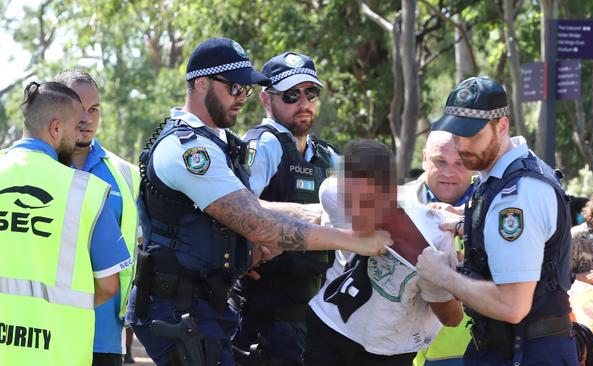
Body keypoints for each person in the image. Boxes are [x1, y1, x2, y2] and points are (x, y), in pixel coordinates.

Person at [124, 38, 391, 366]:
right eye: (234, 87)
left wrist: (323, 213)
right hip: (177, 310)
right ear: (201, 83)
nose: (241, 97)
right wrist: (355, 240)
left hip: (207, 307)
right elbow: (257, 222)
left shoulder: (220, 143)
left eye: (245, 89)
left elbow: (252, 206)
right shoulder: (189, 150)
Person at [416, 76, 578, 365]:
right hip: (505, 347)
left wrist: (443, 276)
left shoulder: (517, 196)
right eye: (455, 134)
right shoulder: (499, 179)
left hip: (525, 352)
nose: (461, 145)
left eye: (471, 134)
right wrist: (465, 224)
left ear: (501, 126)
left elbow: (513, 304)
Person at [0, 81, 132, 365]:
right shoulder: (87, 191)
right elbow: (109, 286)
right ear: (56, 128)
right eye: (74, 129)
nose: (77, 139)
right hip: (58, 351)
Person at [304, 139, 463, 366]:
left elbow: (452, 318)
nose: (355, 211)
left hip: (388, 351)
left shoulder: (433, 238)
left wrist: (434, 279)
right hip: (329, 325)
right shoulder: (332, 193)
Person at [233, 51, 338, 366]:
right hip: (264, 319)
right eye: (291, 95)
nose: (303, 102)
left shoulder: (327, 155)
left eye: (311, 93)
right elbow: (237, 209)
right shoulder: (264, 145)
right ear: (267, 100)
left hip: (313, 315)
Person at [54, 69, 141, 366]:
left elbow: (142, 246)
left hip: (104, 337)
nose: (86, 119)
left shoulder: (126, 175)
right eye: (78, 108)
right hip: (43, 334)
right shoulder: (34, 169)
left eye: (94, 109)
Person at [403, 130, 474, 366]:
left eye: (460, 163)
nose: (449, 172)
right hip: (406, 354)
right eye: (439, 161)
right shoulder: (398, 206)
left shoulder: (497, 206)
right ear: (424, 158)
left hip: (482, 353)